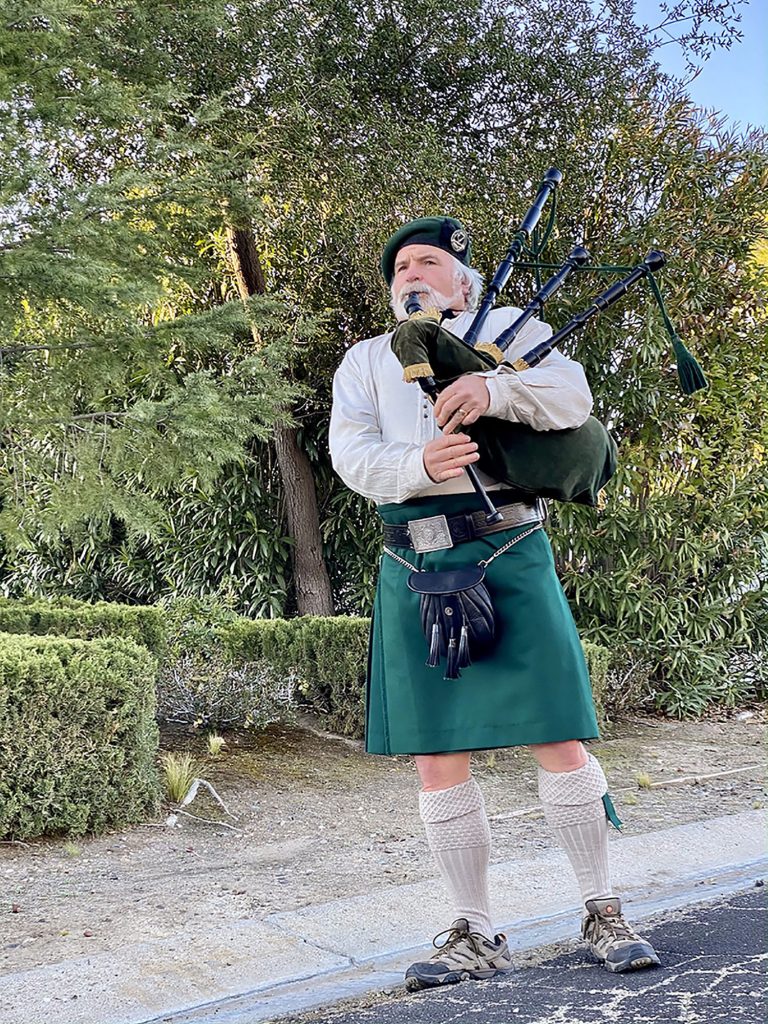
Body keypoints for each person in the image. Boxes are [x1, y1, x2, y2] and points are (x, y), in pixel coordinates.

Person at [328, 216, 661, 991]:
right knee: (437, 756)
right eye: (400, 265)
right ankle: (474, 933)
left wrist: (491, 385)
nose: (411, 271)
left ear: (462, 282)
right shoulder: (366, 360)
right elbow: (350, 454)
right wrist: (419, 461)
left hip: (510, 547)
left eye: (428, 261)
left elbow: (571, 397)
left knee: (559, 737)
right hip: (414, 558)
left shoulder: (508, 328)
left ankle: (602, 911)